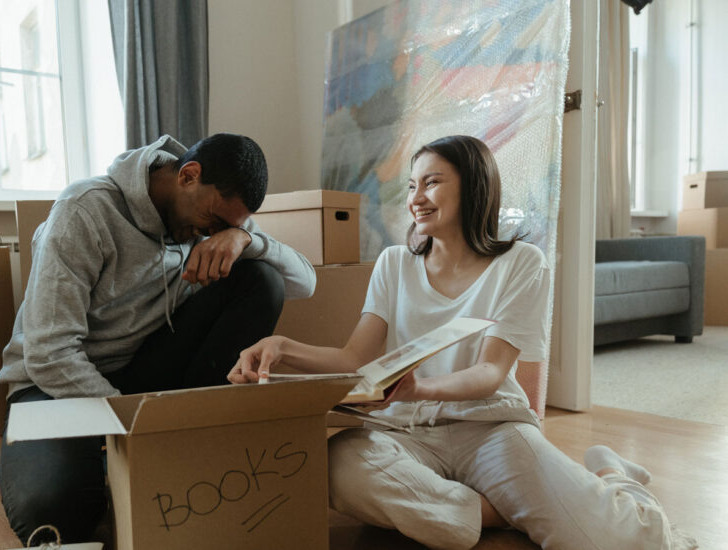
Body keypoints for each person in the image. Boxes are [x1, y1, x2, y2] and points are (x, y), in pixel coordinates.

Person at [229, 135, 693, 549]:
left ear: (473, 186)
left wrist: (419, 388)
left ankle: (611, 474)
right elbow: (353, 357)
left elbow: (490, 373)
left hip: (490, 428)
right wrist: (282, 347)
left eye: (431, 183)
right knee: (341, 465)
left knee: (620, 542)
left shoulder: (521, 263)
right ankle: (500, 510)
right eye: (411, 186)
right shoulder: (394, 264)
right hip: (403, 432)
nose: (417, 198)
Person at [0, 133, 316, 544]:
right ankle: (118, 457)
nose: (213, 233)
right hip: (54, 387)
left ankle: (190, 432)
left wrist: (245, 239)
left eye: (229, 226)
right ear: (188, 175)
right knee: (52, 516)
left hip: (141, 368)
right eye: (217, 222)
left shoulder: (216, 214)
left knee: (263, 279)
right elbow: (49, 353)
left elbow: (304, 282)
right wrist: (130, 425)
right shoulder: (85, 211)